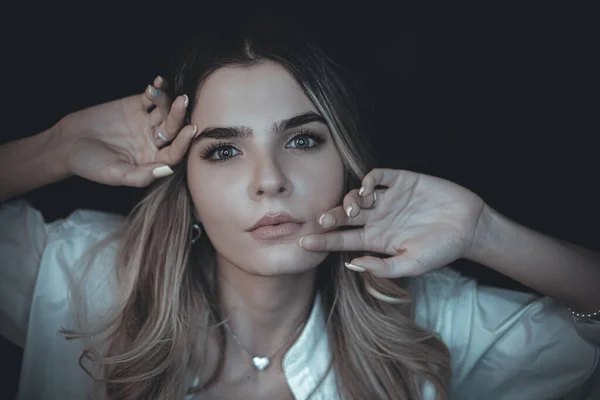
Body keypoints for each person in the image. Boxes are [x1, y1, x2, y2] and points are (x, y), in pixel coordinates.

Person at [0, 19, 599, 400]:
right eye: (225, 150)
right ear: (186, 187)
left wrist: (484, 231)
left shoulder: (429, 323)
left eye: (303, 140)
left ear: (347, 161)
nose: (270, 181)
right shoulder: (79, 274)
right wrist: (53, 148)